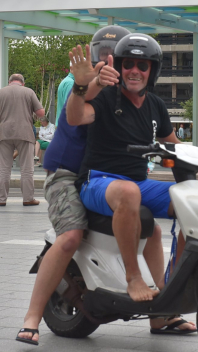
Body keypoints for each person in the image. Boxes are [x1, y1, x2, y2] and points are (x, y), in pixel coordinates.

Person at [66, 33, 198, 305]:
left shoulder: (156, 105)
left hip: (137, 185)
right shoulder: (106, 97)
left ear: (152, 71)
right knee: (129, 193)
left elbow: (173, 144)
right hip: (98, 182)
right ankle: (133, 277)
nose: (134, 71)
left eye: (142, 66)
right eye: (128, 64)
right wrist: (81, 86)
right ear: (119, 66)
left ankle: (172, 285)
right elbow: (75, 117)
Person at [15, 25, 137, 346]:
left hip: (101, 177)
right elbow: (74, 108)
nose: (110, 61)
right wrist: (91, 80)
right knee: (69, 237)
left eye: (118, 56)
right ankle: (32, 316)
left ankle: (163, 310)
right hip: (66, 174)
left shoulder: (131, 89)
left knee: (146, 222)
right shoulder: (79, 82)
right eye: (104, 55)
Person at [0, 74, 45, 207]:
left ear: (9, 82)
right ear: (22, 83)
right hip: (25, 133)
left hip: (4, 133)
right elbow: (41, 113)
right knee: (26, 168)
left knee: (3, 167)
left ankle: (1, 199)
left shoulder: (1, 92)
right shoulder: (28, 92)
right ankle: (28, 198)